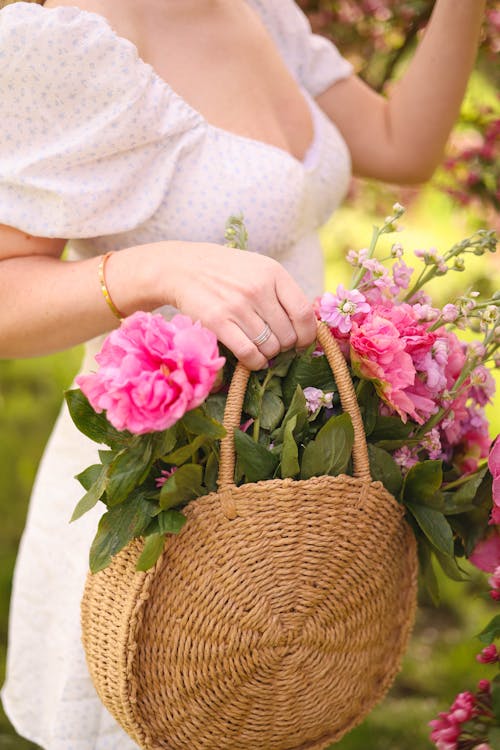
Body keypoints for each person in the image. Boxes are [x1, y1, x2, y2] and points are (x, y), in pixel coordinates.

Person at [0, 0, 486, 747]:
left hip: (288, 518)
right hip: (161, 520)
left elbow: (402, 145)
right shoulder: (72, 38)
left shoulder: (260, 8)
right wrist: (151, 269)